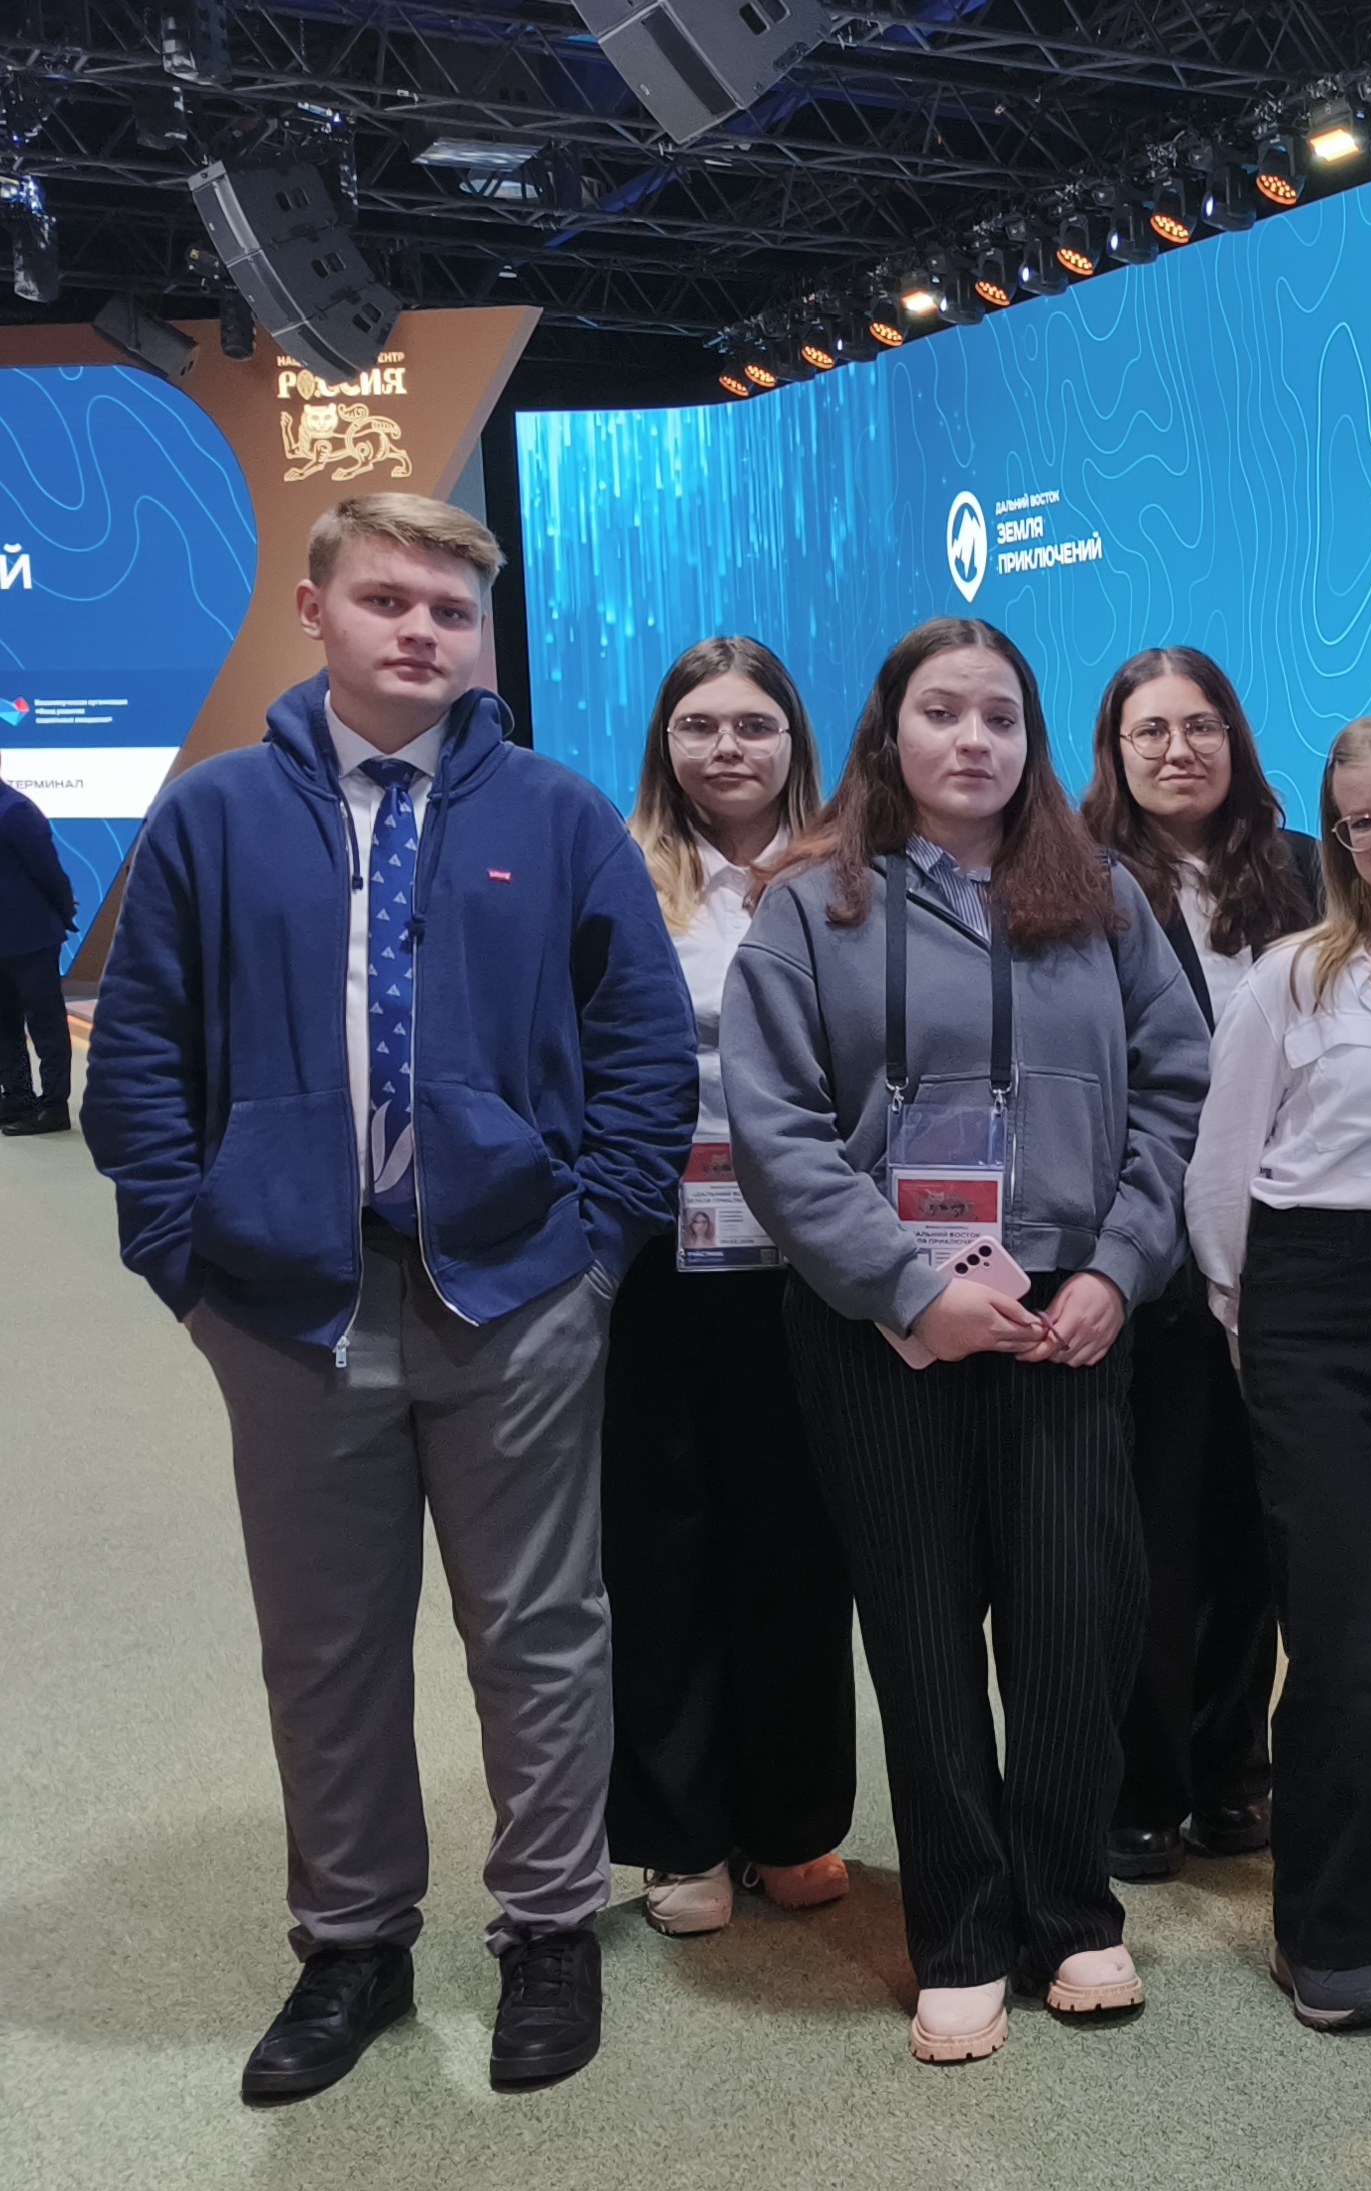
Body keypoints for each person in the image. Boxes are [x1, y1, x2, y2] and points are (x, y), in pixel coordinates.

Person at [82, 492, 695, 2101]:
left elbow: (643, 1051)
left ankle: (549, 1926)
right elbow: (138, 1058)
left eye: (451, 609)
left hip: (517, 1293)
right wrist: (184, 1260)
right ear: (316, 610)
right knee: (325, 1640)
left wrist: (596, 1252)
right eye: (388, 599)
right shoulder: (215, 817)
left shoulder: (556, 814)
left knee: (539, 1630)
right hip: (288, 1302)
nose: (422, 630)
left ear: (481, 636)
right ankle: (352, 1942)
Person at [721, 616, 1209, 2065]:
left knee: (1071, 1616)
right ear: (890, 731)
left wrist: (1121, 1267)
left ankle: (1069, 1907)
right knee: (923, 1626)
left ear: (1032, 739)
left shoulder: (1102, 893)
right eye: (943, 711)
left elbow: (1178, 1090)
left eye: (1001, 714)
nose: (974, 739)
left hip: (1067, 1307)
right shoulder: (809, 902)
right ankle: (961, 1927)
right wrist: (902, 1285)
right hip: (885, 1316)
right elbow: (776, 1128)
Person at [1184, 711, 1371, 2035]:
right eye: (1359, 820)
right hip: (1309, 1302)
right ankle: (1324, 1921)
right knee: (1346, 1634)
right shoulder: (1293, 979)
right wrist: (1250, 1327)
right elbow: (1217, 1174)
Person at [602, 638, 858, 1938]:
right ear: (666, 745)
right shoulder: (616, 876)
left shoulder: (847, 879)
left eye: (754, 724)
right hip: (657, 1260)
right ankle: (680, 1833)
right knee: (659, 1545)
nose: (727, 748)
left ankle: (794, 1819)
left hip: (809, 1261)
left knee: (799, 1544)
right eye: (698, 726)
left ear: (793, 740)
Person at [1081, 647, 1322, 1880]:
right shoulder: (1078, 877)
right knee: (1154, 1534)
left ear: (1236, 737)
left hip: (1292, 1247)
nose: (1180, 750)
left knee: (1257, 1533)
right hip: (1150, 1250)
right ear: (1114, 752)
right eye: (1152, 731)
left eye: (1202, 726)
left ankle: (1236, 1771)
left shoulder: (1306, 872)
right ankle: (1142, 1785)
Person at [0, 778, 78, 1134]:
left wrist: (64, 911)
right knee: (4, 1024)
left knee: (45, 1023)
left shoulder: (16, 810)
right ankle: (18, 1097)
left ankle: (54, 1105)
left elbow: (49, 870)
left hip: (30, 938)